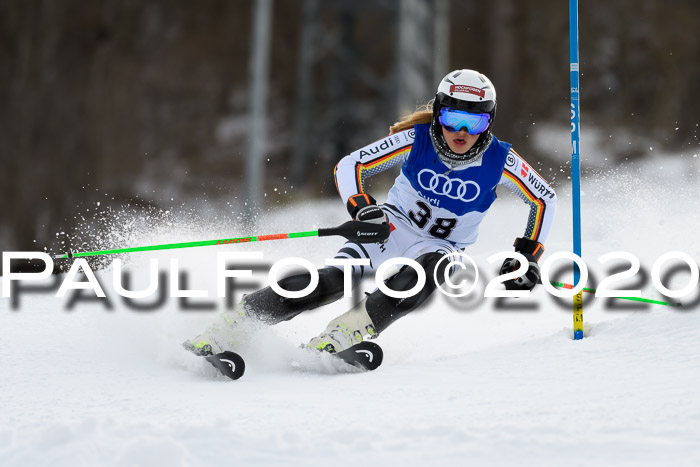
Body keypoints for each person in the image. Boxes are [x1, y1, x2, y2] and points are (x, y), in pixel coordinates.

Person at [184, 69, 557, 356]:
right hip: (390, 227)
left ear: (488, 122)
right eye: (451, 119)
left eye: (473, 122)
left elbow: (543, 199)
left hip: (441, 246)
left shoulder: (500, 159)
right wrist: (363, 209)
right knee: (332, 280)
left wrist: (526, 255)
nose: (461, 131)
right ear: (438, 113)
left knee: (425, 273)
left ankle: (346, 332)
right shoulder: (417, 139)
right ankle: (231, 326)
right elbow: (350, 165)